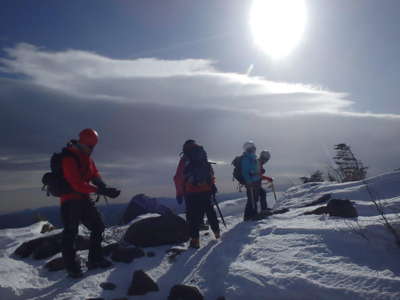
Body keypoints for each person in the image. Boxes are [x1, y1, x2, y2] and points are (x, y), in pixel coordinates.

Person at [60, 128, 120, 278]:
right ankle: (72, 267)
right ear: (82, 142)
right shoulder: (69, 157)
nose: (92, 149)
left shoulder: (86, 157)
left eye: (93, 146)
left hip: (83, 199)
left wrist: (102, 185)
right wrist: (101, 191)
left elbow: (94, 173)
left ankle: (95, 259)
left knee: (98, 226)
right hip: (70, 200)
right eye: (90, 146)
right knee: (70, 233)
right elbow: (76, 183)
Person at [174, 139, 220, 249]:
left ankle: (195, 241)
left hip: (191, 192)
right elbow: (210, 173)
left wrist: (179, 193)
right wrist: (212, 185)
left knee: (192, 216)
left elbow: (178, 178)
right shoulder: (202, 156)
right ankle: (217, 234)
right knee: (210, 211)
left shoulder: (185, 158)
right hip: (206, 190)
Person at [241, 141, 261, 221]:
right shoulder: (246, 158)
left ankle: (251, 215)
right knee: (251, 199)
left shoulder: (253, 158)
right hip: (251, 182)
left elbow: (255, 169)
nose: (254, 149)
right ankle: (249, 216)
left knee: (254, 199)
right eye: (252, 148)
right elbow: (245, 172)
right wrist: (249, 182)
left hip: (255, 181)